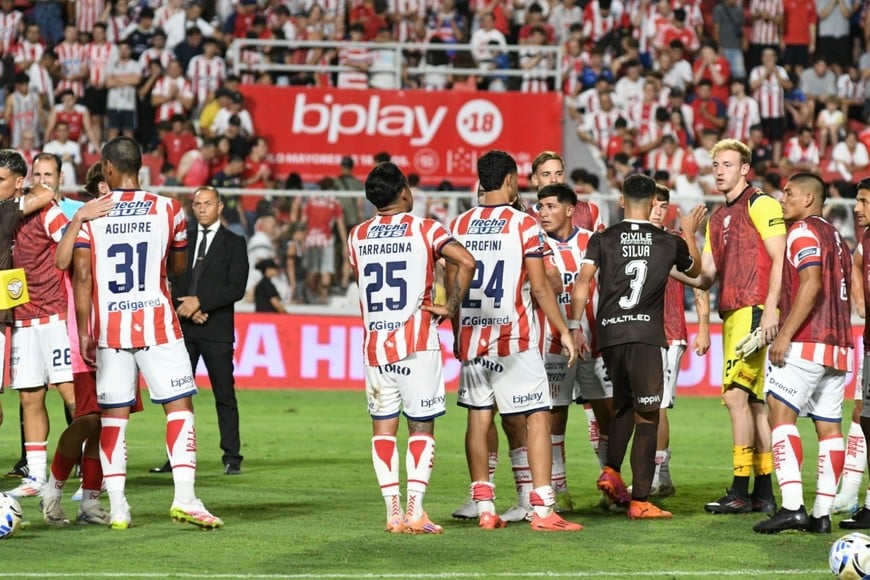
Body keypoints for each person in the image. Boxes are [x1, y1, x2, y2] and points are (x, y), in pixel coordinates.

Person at [72, 136, 222, 530]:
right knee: (179, 408)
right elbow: (177, 265)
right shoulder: (168, 208)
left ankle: (119, 508)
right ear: (141, 165)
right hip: (157, 323)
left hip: (110, 330)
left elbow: (83, 277)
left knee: (114, 419)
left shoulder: (95, 214)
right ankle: (185, 498)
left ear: (107, 168)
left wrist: (86, 332)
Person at [450, 149, 581, 532]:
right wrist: (564, 330)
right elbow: (540, 287)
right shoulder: (523, 224)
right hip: (515, 338)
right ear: (510, 181)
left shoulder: (459, 224)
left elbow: (452, 283)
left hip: (474, 339)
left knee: (479, 416)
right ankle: (542, 510)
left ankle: (485, 505)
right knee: (537, 414)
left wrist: (459, 328)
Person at [347, 161, 475, 534]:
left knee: (382, 429)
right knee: (421, 427)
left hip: (375, 346)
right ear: (404, 191)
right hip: (417, 342)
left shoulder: (356, 236)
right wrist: (451, 305)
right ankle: (416, 510)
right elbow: (466, 260)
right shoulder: (425, 229)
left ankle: (392, 512)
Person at [570, 173, 703, 520]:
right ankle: (641, 499)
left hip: (610, 335)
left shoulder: (603, 238)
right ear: (656, 205)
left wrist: (574, 326)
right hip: (646, 336)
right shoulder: (667, 242)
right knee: (648, 415)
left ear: (622, 201)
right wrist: (688, 229)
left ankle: (612, 469)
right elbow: (700, 272)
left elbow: (583, 281)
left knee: (623, 407)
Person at [683, 138, 786, 515]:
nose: (720, 171)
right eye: (716, 165)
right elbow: (705, 276)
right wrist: (681, 246)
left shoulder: (761, 203)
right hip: (733, 313)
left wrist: (772, 309)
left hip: (755, 309)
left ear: (745, 168)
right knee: (754, 403)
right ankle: (764, 492)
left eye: (728, 164)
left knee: (734, 397)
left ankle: (740, 489)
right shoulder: (716, 219)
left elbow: (779, 256)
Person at [751, 172, 853, 534]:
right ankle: (822, 515)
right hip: (839, 346)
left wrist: (785, 335)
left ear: (809, 199)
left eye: (789, 193)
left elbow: (811, 284)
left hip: (807, 342)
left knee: (780, 417)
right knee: (829, 429)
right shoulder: (838, 238)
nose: (782, 199)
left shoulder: (802, 232)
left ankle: (792, 507)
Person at [40, 161, 123, 526]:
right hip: (83, 334)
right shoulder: (82, 222)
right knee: (87, 418)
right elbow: (61, 261)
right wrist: (79, 219)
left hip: (120, 333)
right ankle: (52, 489)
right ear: (100, 190)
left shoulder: (124, 227)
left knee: (105, 422)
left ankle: (90, 503)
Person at [149, 186, 249, 475]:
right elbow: (172, 276)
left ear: (219, 207)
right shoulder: (183, 239)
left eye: (207, 203)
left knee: (224, 394)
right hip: (184, 327)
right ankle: (176, 456)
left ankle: (232, 457)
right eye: (197, 204)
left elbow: (236, 287)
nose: (202, 208)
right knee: (177, 394)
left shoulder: (234, 242)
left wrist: (201, 304)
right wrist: (188, 306)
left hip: (216, 328)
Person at [3, 153, 79, 500]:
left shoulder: (46, 212)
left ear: (19, 182)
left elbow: (75, 247)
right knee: (30, 397)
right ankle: (35, 475)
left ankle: (99, 471)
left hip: (54, 318)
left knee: (72, 396)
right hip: (20, 318)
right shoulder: (8, 215)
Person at [648, 185, 711, 498]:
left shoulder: (675, 240)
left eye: (663, 206)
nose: (659, 210)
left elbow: (700, 284)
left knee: (656, 406)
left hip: (669, 333)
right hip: (641, 333)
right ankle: (663, 474)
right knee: (644, 405)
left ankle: (657, 475)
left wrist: (702, 327)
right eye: (654, 205)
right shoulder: (632, 237)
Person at [840, 178, 870, 530]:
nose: (857, 208)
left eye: (863, 201)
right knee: (865, 414)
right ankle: (861, 499)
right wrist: (859, 297)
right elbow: (854, 263)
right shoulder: (866, 239)